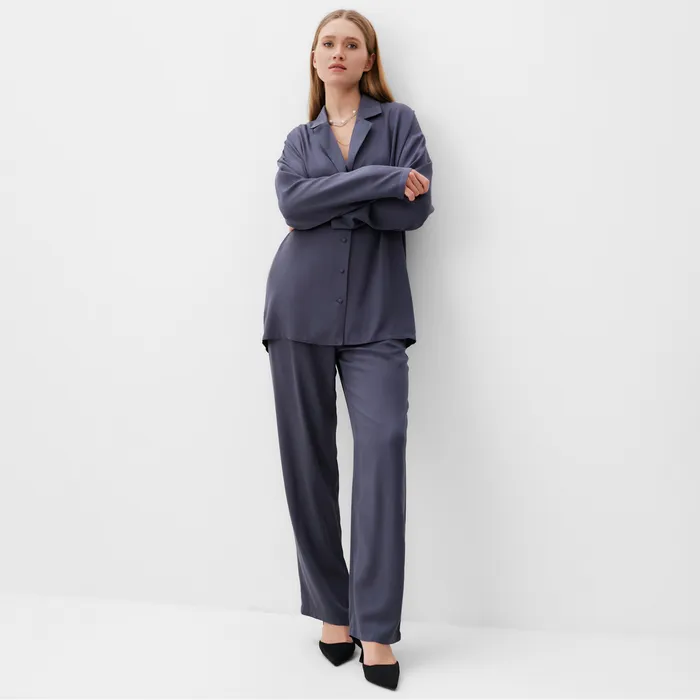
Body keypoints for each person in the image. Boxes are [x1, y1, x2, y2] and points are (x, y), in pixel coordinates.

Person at [261, 8, 434, 691]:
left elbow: (414, 210)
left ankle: (377, 627)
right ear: (314, 59)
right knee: (307, 466)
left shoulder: (400, 124)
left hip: (376, 315)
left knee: (382, 449)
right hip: (297, 309)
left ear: (369, 60)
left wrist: (334, 197)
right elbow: (292, 207)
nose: (338, 51)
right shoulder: (298, 140)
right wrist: (382, 181)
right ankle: (333, 613)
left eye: (351, 43)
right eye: (327, 42)